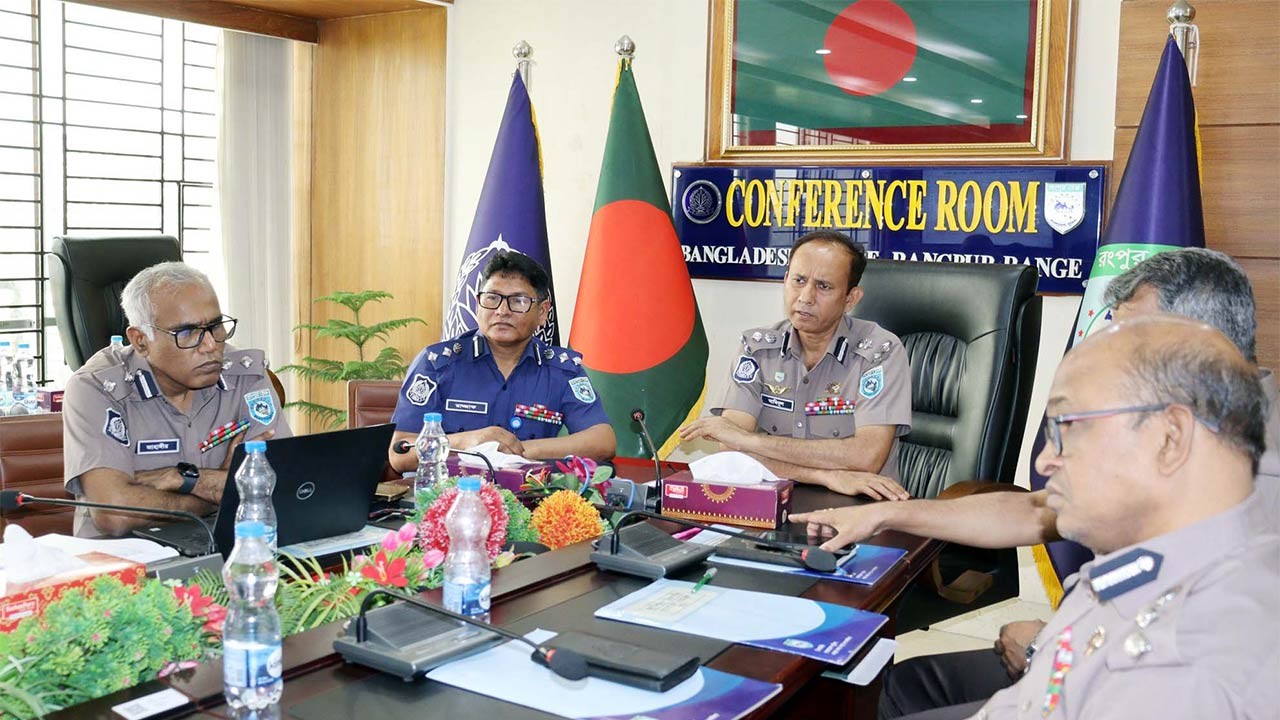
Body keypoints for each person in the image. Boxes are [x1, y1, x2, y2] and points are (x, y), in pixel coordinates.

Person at [790, 248, 1279, 717]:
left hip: (1108, 672)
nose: (1111, 345)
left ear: (1201, 345)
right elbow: (1036, 510)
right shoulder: (1199, 428)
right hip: (1085, 643)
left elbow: (1185, 653)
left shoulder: (1247, 476)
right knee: (891, 688)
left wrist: (1050, 646)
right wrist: (886, 513)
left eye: (1134, 336)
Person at [903, 316, 1276, 719]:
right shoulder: (1154, 559)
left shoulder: (1189, 663)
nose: (1044, 462)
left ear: (1170, 438)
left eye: (1067, 428)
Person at [62, 262, 290, 538]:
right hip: (129, 558)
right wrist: (219, 492)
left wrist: (182, 477)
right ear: (141, 341)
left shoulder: (245, 375)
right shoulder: (97, 388)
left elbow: (286, 485)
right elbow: (116, 514)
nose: (210, 346)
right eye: (187, 332)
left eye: (216, 326)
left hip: (229, 546)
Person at [680, 231, 912, 500]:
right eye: (799, 280)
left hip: (860, 507)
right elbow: (732, 451)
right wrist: (825, 475)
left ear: (850, 299)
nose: (806, 297)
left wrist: (751, 441)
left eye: (823, 286)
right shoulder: (757, 349)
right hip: (772, 502)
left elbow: (866, 456)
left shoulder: (879, 352)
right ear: (785, 280)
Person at [388, 251, 615, 472]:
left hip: (529, 493)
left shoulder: (561, 370)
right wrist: (469, 442)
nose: (502, 311)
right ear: (478, 304)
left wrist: (518, 450)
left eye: (518, 301)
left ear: (542, 312)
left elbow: (602, 440)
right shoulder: (437, 364)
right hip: (449, 492)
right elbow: (400, 453)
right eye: (492, 298)